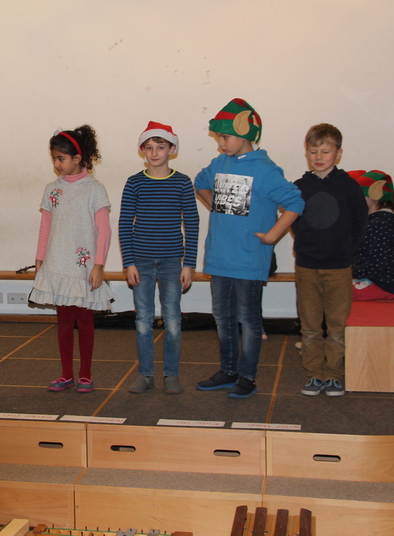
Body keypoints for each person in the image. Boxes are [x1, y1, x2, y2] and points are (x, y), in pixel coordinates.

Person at [193, 99, 304, 399]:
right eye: (218, 137)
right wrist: (218, 206)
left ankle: (248, 377)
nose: (220, 143)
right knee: (222, 317)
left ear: (244, 134)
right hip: (219, 256)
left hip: (248, 259)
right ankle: (228, 371)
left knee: (249, 320)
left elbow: (295, 202)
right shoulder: (219, 164)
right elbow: (200, 182)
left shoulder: (265, 170)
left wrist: (272, 236)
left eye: (224, 137)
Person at [30, 125, 113, 393]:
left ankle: (85, 374)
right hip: (57, 264)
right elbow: (45, 227)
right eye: (54, 158)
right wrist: (40, 260)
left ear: (77, 158)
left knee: (85, 321)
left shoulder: (95, 189)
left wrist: (98, 265)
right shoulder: (51, 189)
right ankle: (66, 374)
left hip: (83, 267)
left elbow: (104, 230)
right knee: (64, 321)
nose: (56, 164)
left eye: (61, 158)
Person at [119, 122, 199, 395]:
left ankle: (171, 374)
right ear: (142, 150)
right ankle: (145, 375)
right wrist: (128, 262)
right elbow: (124, 224)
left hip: (172, 262)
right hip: (140, 261)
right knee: (143, 321)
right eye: (149, 147)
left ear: (172, 150)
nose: (154, 153)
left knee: (173, 320)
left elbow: (192, 223)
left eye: (160, 147)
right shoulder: (134, 182)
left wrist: (189, 264)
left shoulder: (182, 182)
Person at [292, 125, 367, 398]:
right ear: (307, 153)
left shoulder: (349, 187)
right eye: (313, 151)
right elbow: (293, 220)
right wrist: (305, 244)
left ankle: (333, 375)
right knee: (310, 326)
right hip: (307, 266)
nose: (318, 157)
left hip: (338, 267)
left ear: (338, 153)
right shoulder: (299, 187)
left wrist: (346, 252)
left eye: (325, 151)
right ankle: (314, 374)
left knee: (336, 326)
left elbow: (360, 222)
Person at [350, 170, 394, 301]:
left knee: (329, 291)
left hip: (377, 284)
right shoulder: (375, 222)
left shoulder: (379, 224)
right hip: (369, 280)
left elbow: (377, 264)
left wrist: (345, 272)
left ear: (376, 195)